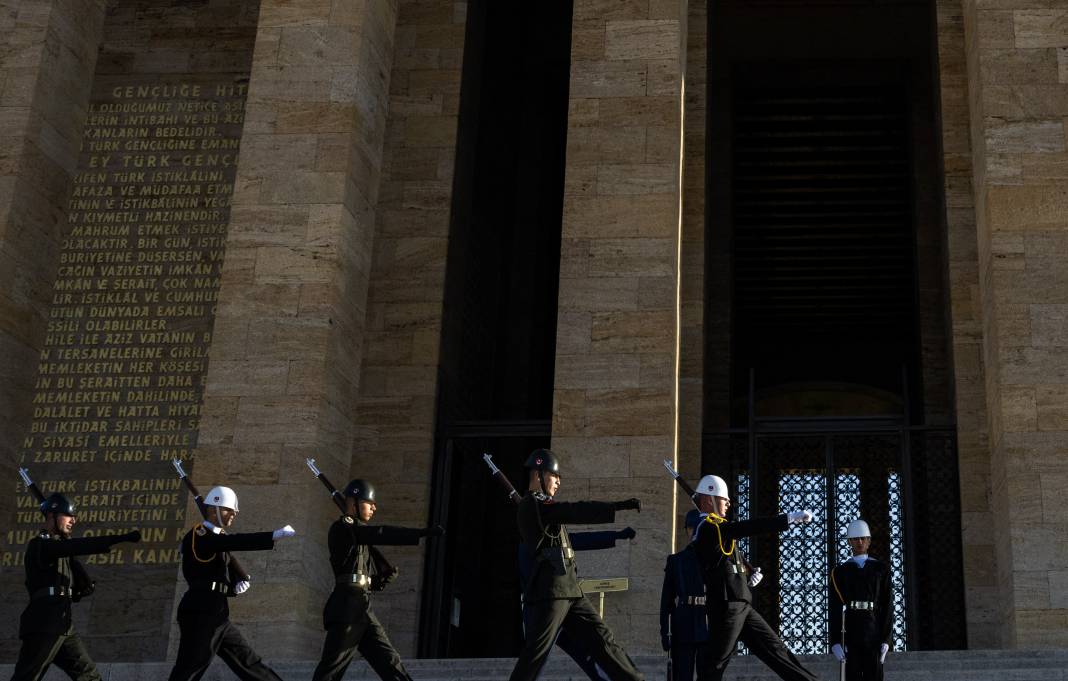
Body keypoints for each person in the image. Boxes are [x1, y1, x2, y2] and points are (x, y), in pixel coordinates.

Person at [508, 448, 644, 681]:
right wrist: (616, 506)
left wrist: (616, 534)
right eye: (554, 476)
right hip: (551, 595)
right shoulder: (532, 505)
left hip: (571, 591)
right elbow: (575, 510)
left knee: (603, 639)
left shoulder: (545, 509)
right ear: (538, 475)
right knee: (535, 656)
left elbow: (575, 542)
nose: (558, 482)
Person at [313, 478, 444, 681]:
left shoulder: (359, 534)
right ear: (353, 502)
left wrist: (380, 580)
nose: (374, 507)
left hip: (363, 608)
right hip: (346, 608)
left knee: (391, 664)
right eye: (368, 502)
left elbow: (361, 578)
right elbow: (380, 533)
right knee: (330, 672)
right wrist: (420, 533)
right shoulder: (342, 529)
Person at [691, 474, 820, 681]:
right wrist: (788, 518)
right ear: (709, 500)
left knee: (776, 650)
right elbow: (746, 528)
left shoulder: (718, 529)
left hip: (741, 603)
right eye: (724, 499)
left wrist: (746, 573)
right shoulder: (707, 528)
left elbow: (729, 560)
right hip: (727, 606)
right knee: (715, 664)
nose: (728, 503)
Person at [167, 485, 296, 681]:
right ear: (212, 509)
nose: (234, 513)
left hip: (218, 613)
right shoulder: (199, 535)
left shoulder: (217, 539)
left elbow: (217, 572)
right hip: (199, 612)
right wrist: (272, 536)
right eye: (229, 509)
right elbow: (233, 543)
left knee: (249, 662)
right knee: (190, 668)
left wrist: (233, 586)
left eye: (234, 510)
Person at [11, 493, 141, 681]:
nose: (73, 520)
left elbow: (70, 573)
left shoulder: (61, 550)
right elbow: (78, 546)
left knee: (89, 677)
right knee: (27, 676)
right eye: (68, 515)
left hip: (64, 624)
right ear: (51, 517)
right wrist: (120, 538)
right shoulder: (39, 545)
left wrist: (80, 588)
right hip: (43, 622)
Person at [518, 521, 637, 680]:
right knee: (535, 663)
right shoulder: (529, 546)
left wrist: (616, 535)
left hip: (567, 613)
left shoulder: (555, 539)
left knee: (590, 657)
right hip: (543, 615)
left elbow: (582, 540)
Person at [829, 519, 892, 681]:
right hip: (851, 628)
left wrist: (886, 639)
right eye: (856, 538)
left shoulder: (881, 569)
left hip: (874, 628)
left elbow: (887, 605)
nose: (860, 541)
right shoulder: (840, 572)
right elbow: (835, 608)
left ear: (869, 541)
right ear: (849, 541)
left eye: (864, 538)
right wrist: (835, 640)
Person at [660, 510, 710, 681]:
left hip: (706, 620)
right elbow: (666, 601)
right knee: (682, 675)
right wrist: (664, 632)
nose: (693, 532)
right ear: (688, 531)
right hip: (683, 623)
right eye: (691, 528)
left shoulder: (713, 559)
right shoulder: (676, 560)